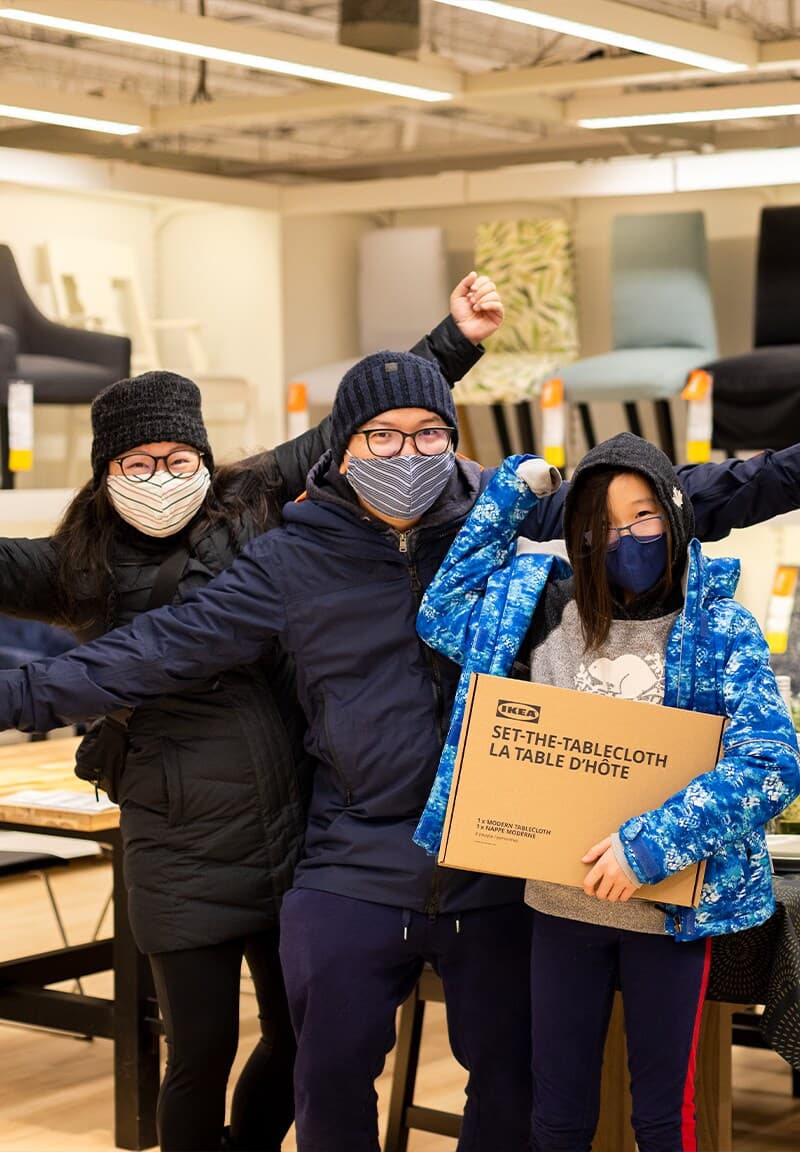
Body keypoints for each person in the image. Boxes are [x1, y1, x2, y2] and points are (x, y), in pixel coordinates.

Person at [0, 378, 800, 1150]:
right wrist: (19, 695)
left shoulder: (500, 530)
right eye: (380, 434)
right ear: (342, 447)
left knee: (520, 1089)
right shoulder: (289, 560)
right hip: (353, 858)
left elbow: (675, 492)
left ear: (454, 442)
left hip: (498, 859)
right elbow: (155, 650)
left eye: (428, 433)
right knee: (327, 1077)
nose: (406, 451)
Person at [0, 272, 504, 1152]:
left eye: (179, 458)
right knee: (199, 1046)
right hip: (175, 829)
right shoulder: (75, 562)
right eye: (138, 464)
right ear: (105, 473)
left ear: (207, 458)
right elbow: (108, 657)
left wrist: (454, 342)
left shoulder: (254, 507)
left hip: (285, 819)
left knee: (301, 1034)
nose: (163, 477)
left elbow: (368, 425)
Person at [413, 434, 800, 1152]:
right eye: (603, 525)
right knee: (556, 1116)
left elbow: (772, 763)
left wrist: (646, 847)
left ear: (678, 517)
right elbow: (442, 610)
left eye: (645, 515)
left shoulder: (720, 628)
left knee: (662, 1118)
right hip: (558, 906)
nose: (626, 538)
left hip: (667, 916)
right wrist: (511, 494)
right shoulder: (543, 620)